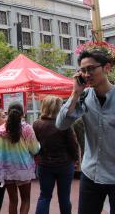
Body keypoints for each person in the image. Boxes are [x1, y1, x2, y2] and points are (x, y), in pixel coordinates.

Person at [56, 42, 115, 214]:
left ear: (107, 68)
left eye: (91, 69)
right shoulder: (84, 97)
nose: (87, 74)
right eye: (83, 70)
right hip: (91, 173)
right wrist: (75, 93)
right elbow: (61, 124)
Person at [33, 96, 79, 214]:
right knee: (64, 197)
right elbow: (73, 144)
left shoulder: (37, 124)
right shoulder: (64, 125)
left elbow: (34, 146)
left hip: (44, 164)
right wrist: (76, 159)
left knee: (44, 196)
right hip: (64, 164)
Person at [0, 101, 40, 214]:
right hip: (24, 170)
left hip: (8, 171)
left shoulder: (0, 130)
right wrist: (39, 145)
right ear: (23, 114)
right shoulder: (27, 129)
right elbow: (34, 150)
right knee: (26, 199)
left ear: (8, 113)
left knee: (13, 201)